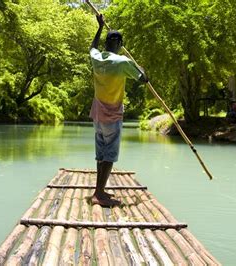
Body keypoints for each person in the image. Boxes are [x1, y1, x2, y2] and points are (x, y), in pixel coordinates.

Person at [89, 14, 148, 207]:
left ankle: (99, 190)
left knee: (101, 154)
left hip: (97, 115)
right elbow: (143, 79)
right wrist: (140, 67)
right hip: (112, 115)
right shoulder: (123, 62)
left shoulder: (97, 58)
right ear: (120, 44)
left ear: (106, 43)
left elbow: (92, 48)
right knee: (110, 155)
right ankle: (99, 193)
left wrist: (99, 27)